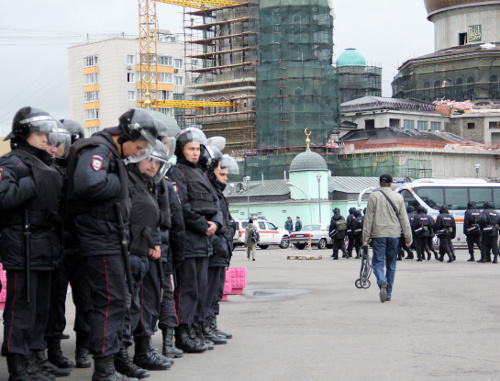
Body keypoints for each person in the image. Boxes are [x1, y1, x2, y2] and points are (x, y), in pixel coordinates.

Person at [65, 108, 158, 380]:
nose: (136, 153)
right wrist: (121, 184)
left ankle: (117, 360)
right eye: (137, 147)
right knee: (111, 302)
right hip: (99, 237)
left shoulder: (111, 152)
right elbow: (89, 184)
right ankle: (104, 370)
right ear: (125, 135)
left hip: (112, 236)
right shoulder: (97, 149)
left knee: (120, 300)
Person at [0, 107, 65, 380]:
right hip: (22, 243)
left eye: (45, 134)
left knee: (40, 307)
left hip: (45, 243)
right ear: (24, 133)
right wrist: (33, 181)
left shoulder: (45, 163)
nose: (44, 139)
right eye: (38, 134)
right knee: (22, 308)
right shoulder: (10, 163)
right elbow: (4, 199)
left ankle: (35, 356)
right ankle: (19, 364)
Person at [167, 127, 223, 354]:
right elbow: (180, 205)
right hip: (191, 239)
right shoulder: (176, 172)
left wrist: (215, 224)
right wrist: (203, 226)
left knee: (200, 288)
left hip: (204, 239)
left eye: (198, 149)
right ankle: (183, 332)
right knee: (187, 288)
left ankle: (194, 328)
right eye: (191, 148)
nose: (195, 153)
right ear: (181, 149)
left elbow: (215, 203)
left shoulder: (200, 173)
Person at [362, 174, 412, 303]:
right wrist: (408, 237)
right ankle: (388, 293)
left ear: (380, 183)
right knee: (391, 264)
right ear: (391, 184)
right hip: (394, 234)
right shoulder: (399, 197)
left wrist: (365, 237)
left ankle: (381, 280)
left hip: (378, 234)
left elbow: (368, 218)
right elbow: (404, 219)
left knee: (377, 263)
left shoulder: (373, 196)